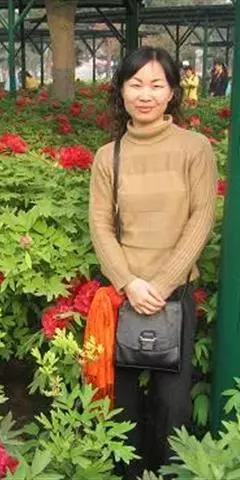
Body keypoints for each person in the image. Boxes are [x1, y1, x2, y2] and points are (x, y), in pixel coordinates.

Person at [89, 46, 217, 479]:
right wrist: (129, 282)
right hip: (124, 297)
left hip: (173, 296)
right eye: (136, 84)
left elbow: (202, 217)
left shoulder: (194, 148)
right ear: (121, 90)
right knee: (120, 407)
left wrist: (161, 283)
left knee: (171, 406)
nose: (146, 94)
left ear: (172, 92)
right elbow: (100, 226)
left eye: (157, 85)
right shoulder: (108, 156)